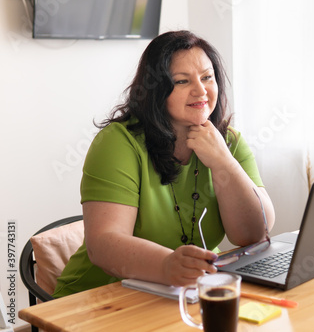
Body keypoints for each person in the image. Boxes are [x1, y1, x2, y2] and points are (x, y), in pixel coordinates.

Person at [53, 30, 275, 298]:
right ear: (156, 90)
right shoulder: (117, 143)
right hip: (102, 296)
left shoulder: (228, 141)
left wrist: (223, 162)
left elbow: (254, 233)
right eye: (182, 81)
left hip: (188, 292)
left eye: (207, 77)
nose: (201, 90)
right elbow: (102, 244)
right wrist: (166, 265)